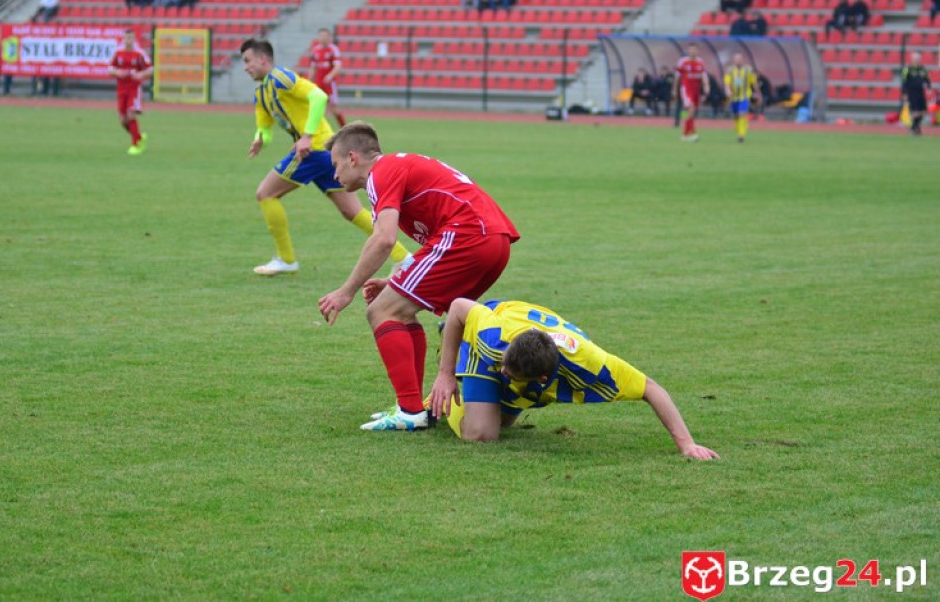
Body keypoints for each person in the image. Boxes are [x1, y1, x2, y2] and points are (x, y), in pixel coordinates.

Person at [317, 122, 520, 432]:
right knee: (401, 309)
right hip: (492, 240)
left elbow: (383, 240)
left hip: (468, 235)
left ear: (353, 157)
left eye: (336, 165)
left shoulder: (381, 173)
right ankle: (413, 406)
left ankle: (410, 411)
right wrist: (395, 281)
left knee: (382, 310)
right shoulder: (397, 167)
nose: (334, 175)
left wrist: (346, 291)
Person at [425, 298, 719, 459]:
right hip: (483, 339)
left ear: (541, 377)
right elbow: (458, 306)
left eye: (509, 373)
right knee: (480, 435)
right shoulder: (495, 337)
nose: (503, 371)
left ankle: (495, 400)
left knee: (501, 421)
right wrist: (446, 374)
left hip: (537, 377)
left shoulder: (592, 367)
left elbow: (651, 388)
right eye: (504, 368)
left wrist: (687, 444)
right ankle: (433, 403)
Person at [240, 39, 411, 276]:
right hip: (327, 154)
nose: (245, 67)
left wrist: (307, 136)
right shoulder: (262, 94)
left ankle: (286, 259)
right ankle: (405, 258)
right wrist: (260, 139)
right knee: (352, 211)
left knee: (265, 194)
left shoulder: (281, 78)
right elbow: (266, 129)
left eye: (248, 61)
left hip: (314, 150)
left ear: (262, 59)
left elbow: (319, 96)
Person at [108, 29, 152, 156]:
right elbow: (110, 68)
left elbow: (150, 69)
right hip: (121, 88)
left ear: (134, 39)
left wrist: (140, 74)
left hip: (134, 88)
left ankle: (136, 145)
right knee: (122, 120)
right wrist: (117, 72)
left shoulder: (139, 53)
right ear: (123, 39)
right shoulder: (118, 52)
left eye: (131, 38)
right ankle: (139, 137)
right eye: (126, 38)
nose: (128, 41)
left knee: (131, 114)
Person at [309, 28, 346, 128]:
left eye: (325, 36)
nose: (323, 38)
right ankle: (319, 130)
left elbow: (338, 66)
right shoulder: (315, 50)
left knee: (334, 108)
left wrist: (330, 76)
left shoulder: (333, 49)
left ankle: (344, 128)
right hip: (318, 83)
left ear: (329, 38)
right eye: (321, 36)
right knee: (318, 107)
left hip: (329, 84)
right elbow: (313, 67)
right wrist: (309, 81)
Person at [673, 43, 709, 142]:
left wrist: (706, 86)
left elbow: (703, 75)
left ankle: (686, 135)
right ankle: (691, 134)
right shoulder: (683, 62)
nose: (693, 52)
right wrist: (674, 89)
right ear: (688, 51)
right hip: (686, 89)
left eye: (694, 50)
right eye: (691, 50)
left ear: (697, 51)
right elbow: (677, 77)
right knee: (691, 109)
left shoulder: (700, 62)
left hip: (696, 90)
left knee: (691, 112)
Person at [723, 53, 759, 143]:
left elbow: (753, 82)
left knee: (742, 113)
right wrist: (728, 90)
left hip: (744, 95)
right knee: (736, 116)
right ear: (733, 60)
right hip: (734, 97)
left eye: (739, 59)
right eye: (736, 59)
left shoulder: (748, 70)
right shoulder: (729, 70)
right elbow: (727, 82)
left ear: (743, 60)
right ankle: (738, 130)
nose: (738, 60)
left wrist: (758, 93)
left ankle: (741, 135)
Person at [901, 52, 932, 136]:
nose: (917, 60)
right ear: (912, 59)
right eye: (915, 59)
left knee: (923, 111)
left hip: (920, 92)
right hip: (912, 92)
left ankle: (914, 128)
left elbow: (927, 79)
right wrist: (905, 94)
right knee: (915, 112)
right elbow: (904, 82)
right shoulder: (907, 69)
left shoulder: (923, 69)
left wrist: (929, 87)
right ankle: (915, 129)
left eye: (918, 59)